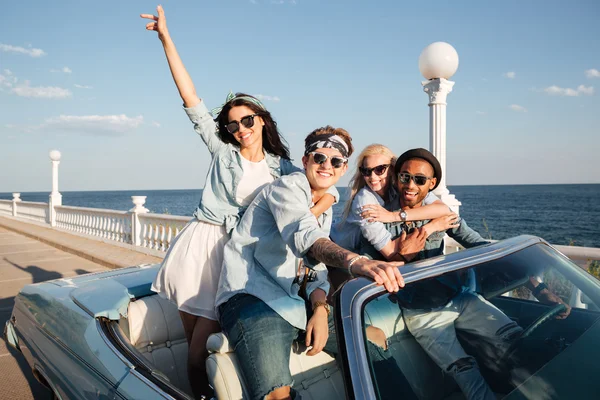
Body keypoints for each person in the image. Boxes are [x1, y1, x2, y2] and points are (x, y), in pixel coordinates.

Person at [140, 6, 334, 398]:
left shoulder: (284, 169)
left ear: (261, 120)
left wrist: (328, 197)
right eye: (232, 124)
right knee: (195, 344)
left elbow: (305, 202)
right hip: (203, 245)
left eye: (247, 121)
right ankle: (199, 394)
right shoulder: (223, 153)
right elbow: (191, 100)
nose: (240, 129)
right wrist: (166, 38)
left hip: (240, 257)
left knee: (205, 344)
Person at [216, 126, 407, 400]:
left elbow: (314, 269)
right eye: (319, 158)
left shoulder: (325, 206)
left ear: (342, 170)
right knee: (275, 394)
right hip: (253, 298)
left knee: (374, 354)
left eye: (336, 161)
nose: (326, 165)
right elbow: (307, 238)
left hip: (296, 302)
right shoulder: (285, 188)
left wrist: (320, 308)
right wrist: (356, 262)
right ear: (305, 161)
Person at [367, 148, 571, 400]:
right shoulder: (379, 220)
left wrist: (539, 288)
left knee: (518, 341)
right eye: (404, 177)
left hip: (460, 298)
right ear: (396, 177)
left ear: (431, 184)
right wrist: (404, 254)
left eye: (420, 180)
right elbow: (371, 266)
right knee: (466, 374)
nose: (410, 185)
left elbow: (486, 250)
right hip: (421, 312)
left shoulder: (440, 214)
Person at [331, 143, 457, 262]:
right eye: (367, 171)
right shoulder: (365, 201)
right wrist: (432, 227)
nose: (373, 177)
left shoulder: (402, 186)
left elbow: (443, 209)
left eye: (379, 169)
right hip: (339, 252)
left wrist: (393, 216)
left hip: (360, 254)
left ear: (392, 169)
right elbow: (391, 252)